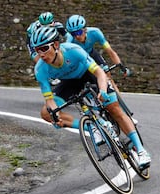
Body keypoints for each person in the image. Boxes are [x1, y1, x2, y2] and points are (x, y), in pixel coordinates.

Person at [31, 26, 151, 167]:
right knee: (46, 113)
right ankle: (91, 128)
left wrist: (103, 91)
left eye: (44, 48)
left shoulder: (73, 51)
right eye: (37, 50)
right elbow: (49, 100)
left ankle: (142, 151)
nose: (41, 54)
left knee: (113, 108)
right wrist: (55, 115)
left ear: (56, 45)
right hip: (69, 83)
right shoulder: (40, 69)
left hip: (89, 75)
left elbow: (99, 72)